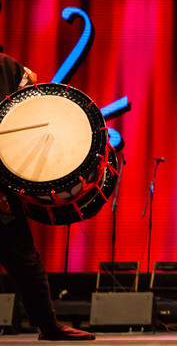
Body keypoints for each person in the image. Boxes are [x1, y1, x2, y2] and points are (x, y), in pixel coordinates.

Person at [0, 52, 95, 341]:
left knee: (25, 260)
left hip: (3, 184)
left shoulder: (8, 67)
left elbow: (32, 107)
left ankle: (48, 325)